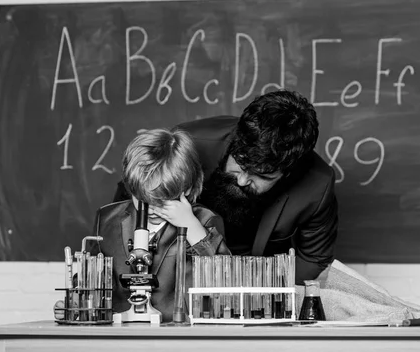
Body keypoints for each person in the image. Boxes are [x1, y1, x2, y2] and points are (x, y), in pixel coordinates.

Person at [114, 90, 338, 284]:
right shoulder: (189, 142)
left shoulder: (317, 185)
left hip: (257, 279)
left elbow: (313, 259)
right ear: (236, 140)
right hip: (182, 275)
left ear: (288, 171)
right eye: (240, 163)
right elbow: (132, 194)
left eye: (261, 175)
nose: (242, 181)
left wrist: (258, 288)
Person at [56, 128, 230, 322]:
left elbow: (223, 278)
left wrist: (191, 226)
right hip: (120, 329)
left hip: (177, 331)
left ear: (187, 187)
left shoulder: (205, 220)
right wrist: (75, 302)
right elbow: (91, 276)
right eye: (145, 201)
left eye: (164, 201)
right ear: (131, 188)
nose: (153, 209)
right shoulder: (107, 219)